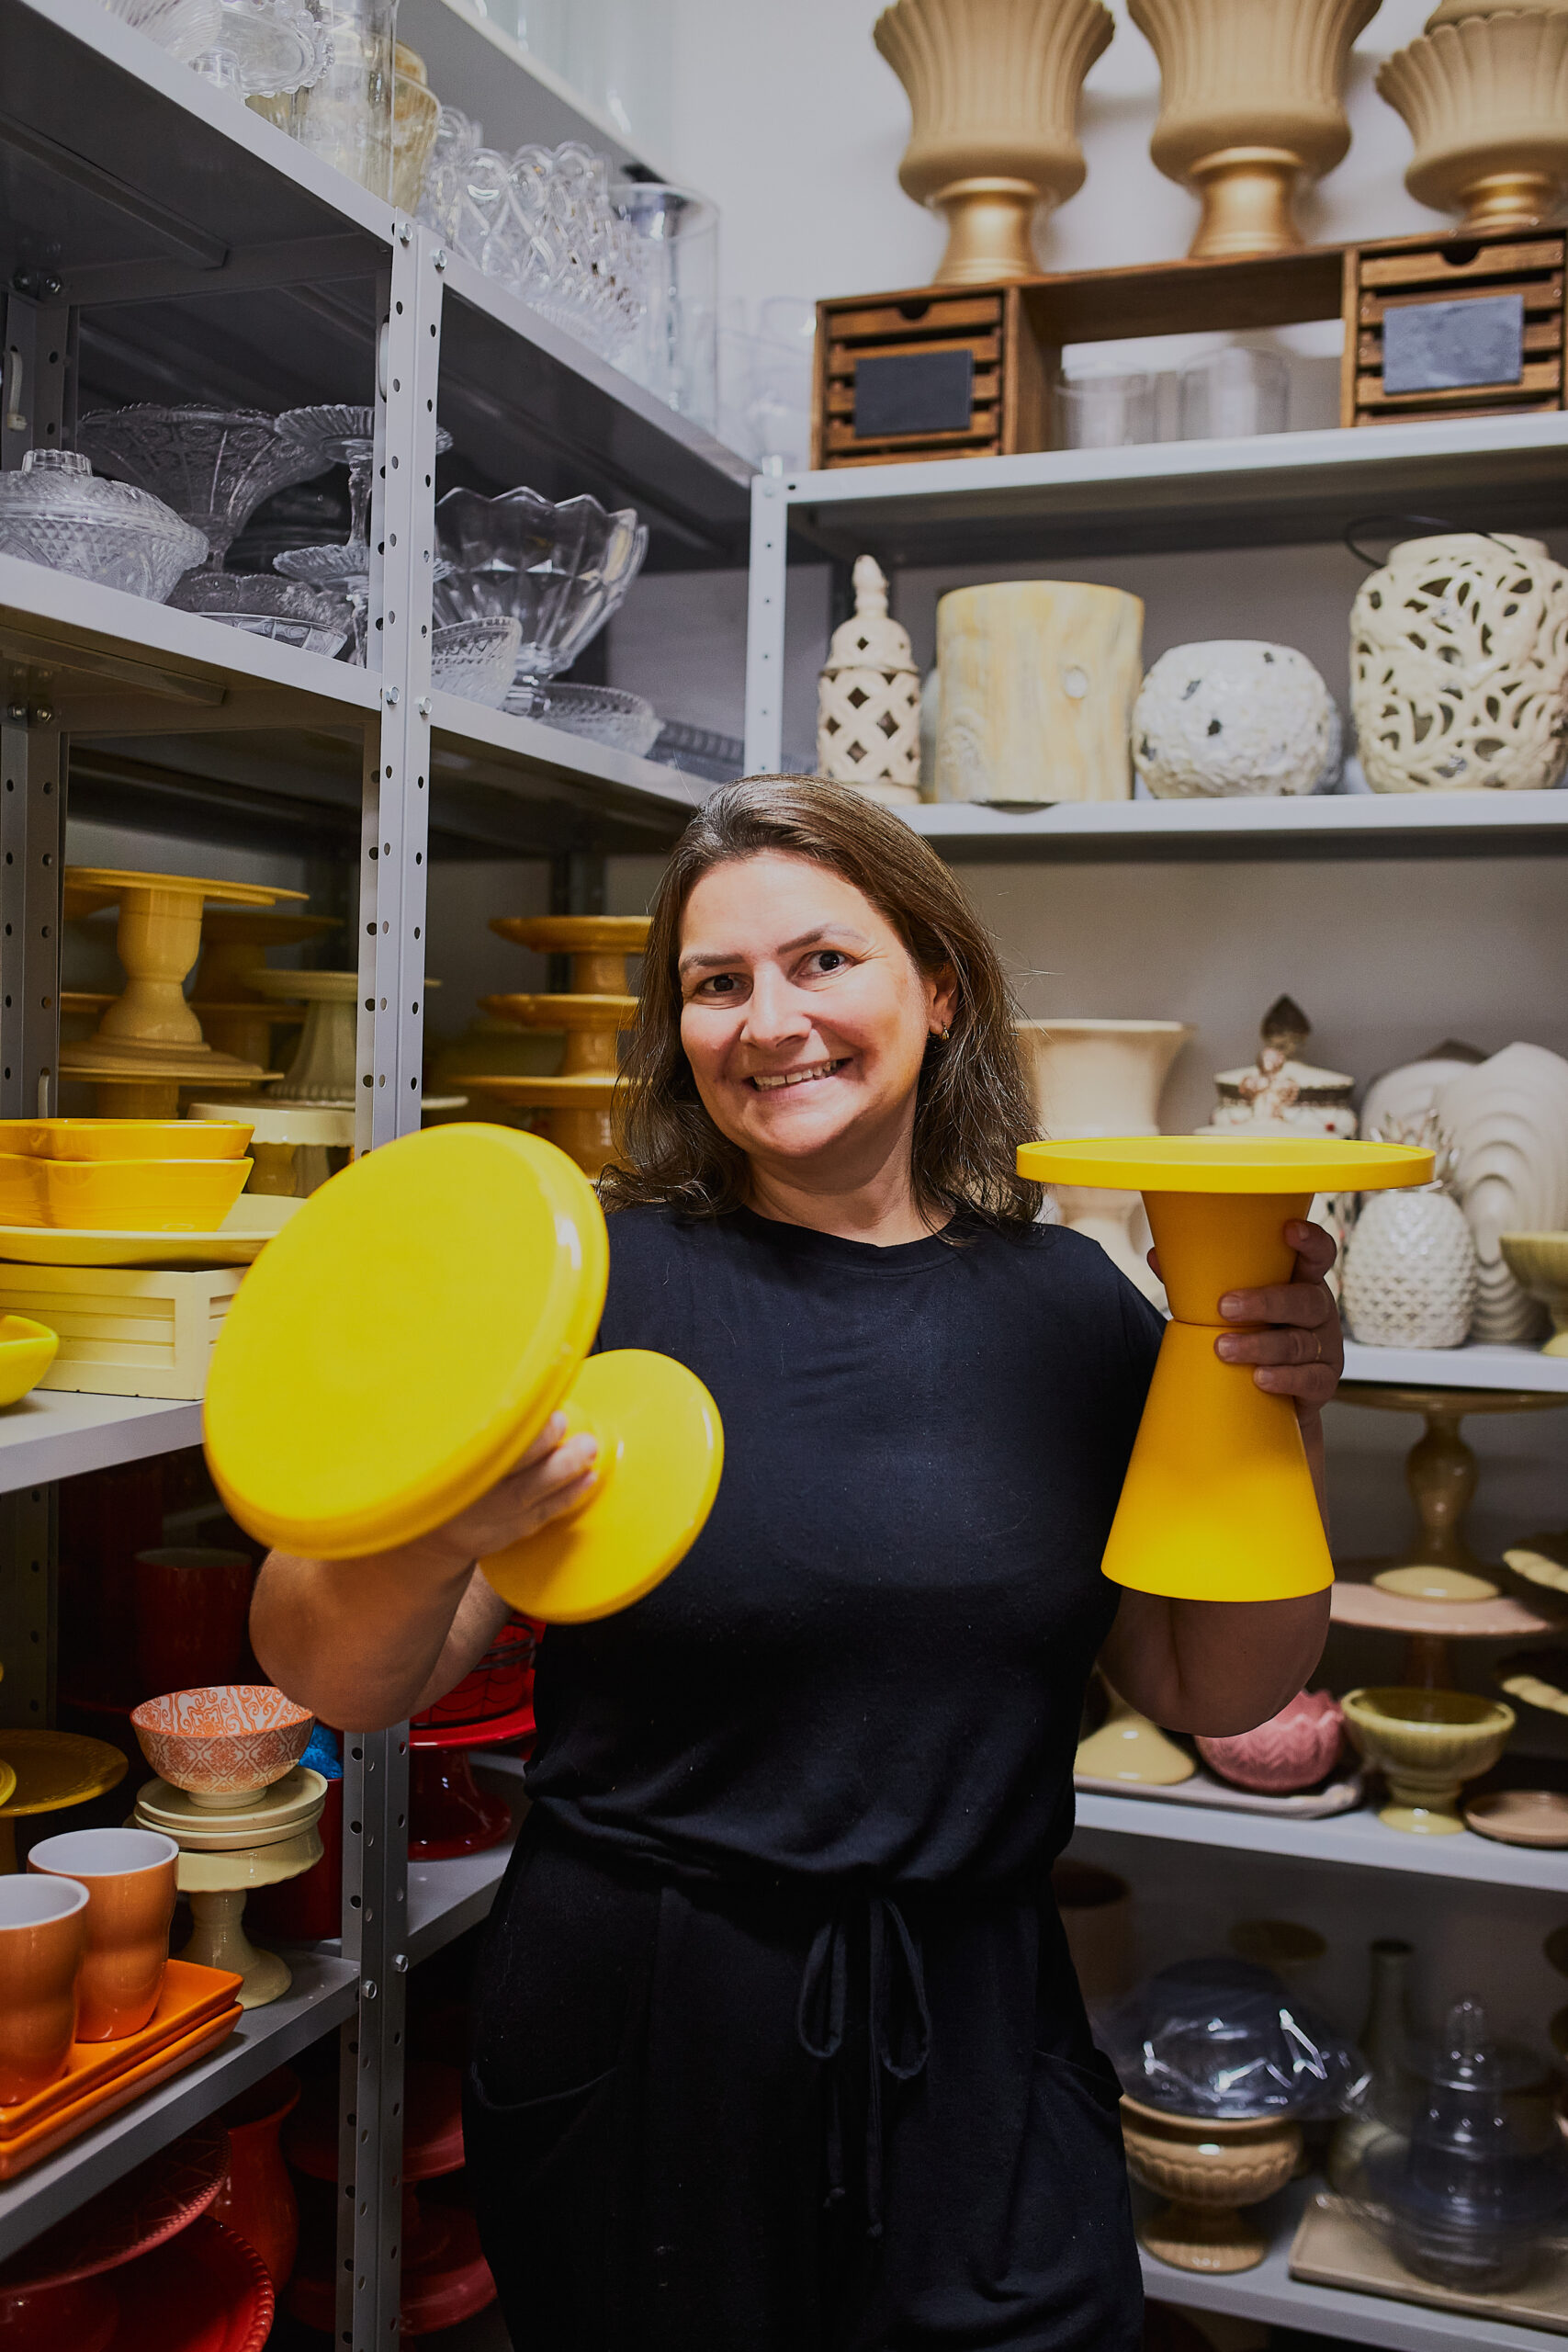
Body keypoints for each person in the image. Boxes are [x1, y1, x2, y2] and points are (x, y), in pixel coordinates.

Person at [252, 776, 1343, 2352]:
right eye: (718, 983)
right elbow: (331, 1666)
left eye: (823, 960)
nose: (772, 1022)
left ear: (939, 988)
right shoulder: (585, 1288)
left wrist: (1274, 1414)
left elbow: (1214, 1682)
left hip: (974, 2026)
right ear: (678, 1027)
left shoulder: (1077, 1312)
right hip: (644, 2028)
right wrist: (443, 1525)